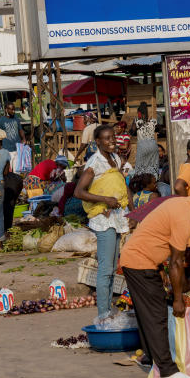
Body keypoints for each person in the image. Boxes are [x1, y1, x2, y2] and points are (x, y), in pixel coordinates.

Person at [119, 192, 190, 378]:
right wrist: (178, 298)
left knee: (148, 313)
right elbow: (176, 262)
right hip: (140, 262)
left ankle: (153, 359)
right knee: (157, 314)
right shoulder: (184, 215)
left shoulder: (181, 204)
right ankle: (168, 372)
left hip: (138, 260)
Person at [74, 124, 129, 316]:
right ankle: (103, 314)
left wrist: (132, 209)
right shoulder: (94, 163)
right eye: (107, 138)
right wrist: (105, 200)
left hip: (117, 215)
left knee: (113, 268)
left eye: (113, 137)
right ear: (98, 142)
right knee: (105, 269)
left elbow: (121, 183)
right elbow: (79, 192)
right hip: (103, 218)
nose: (112, 141)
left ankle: (108, 310)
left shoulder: (115, 159)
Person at [132, 102, 159, 179]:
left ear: (139, 113)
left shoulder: (137, 121)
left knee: (140, 166)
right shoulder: (152, 121)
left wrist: (139, 127)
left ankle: (140, 183)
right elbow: (160, 130)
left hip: (142, 145)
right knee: (153, 165)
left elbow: (132, 132)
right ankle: (154, 181)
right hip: (153, 144)